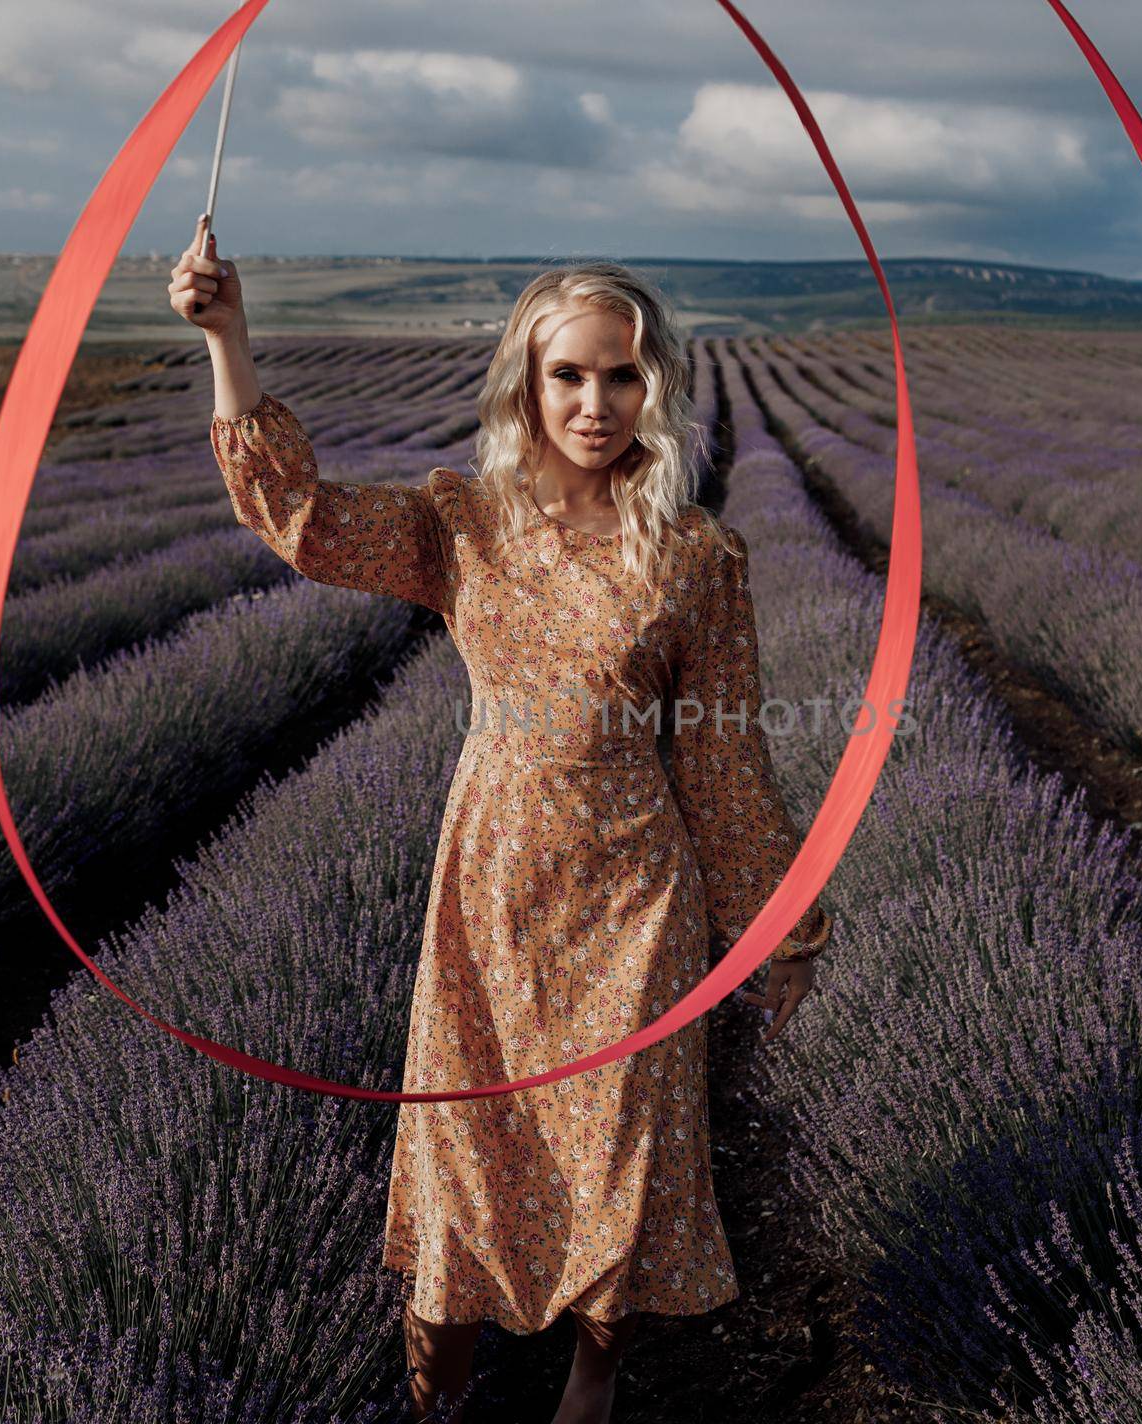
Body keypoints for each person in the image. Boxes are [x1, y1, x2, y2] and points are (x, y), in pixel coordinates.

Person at [169, 216, 834, 1423]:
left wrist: (780, 921)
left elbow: (726, 759)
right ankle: (445, 1390)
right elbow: (301, 517)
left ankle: (593, 1374)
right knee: (470, 1165)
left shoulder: (697, 558)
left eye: (621, 374)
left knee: (621, 1158)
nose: (595, 401)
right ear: (525, 385)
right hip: (489, 896)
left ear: (656, 385)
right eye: (569, 373)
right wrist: (230, 337)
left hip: (635, 896)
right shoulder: (460, 523)